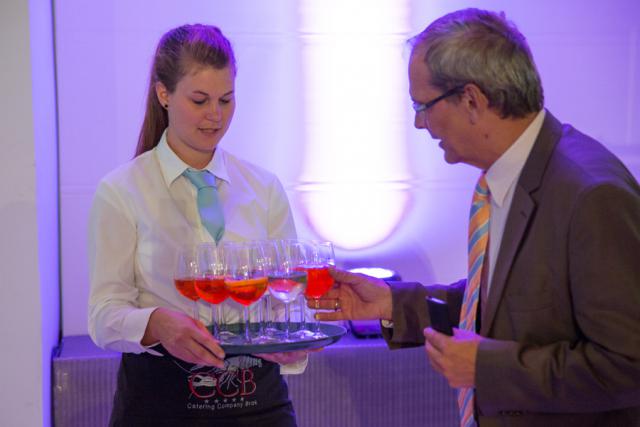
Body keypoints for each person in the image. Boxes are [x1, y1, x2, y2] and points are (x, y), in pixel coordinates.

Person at [315, 8, 640, 427]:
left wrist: (488, 369)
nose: (418, 123)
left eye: (422, 105)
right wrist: (392, 303)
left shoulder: (592, 195)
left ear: (472, 100)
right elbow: (505, 305)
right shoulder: (513, 175)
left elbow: (629, 364)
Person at [88, 24, 309, 426]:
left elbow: (288, 297)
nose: (216, 115)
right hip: (159, 404)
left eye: (226, 99)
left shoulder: (264, 187)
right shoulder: (121, 191)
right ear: (163, 94)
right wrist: (157, 323)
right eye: (200, 100)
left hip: (258, 403)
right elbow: (103, 315)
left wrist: (290, 343)